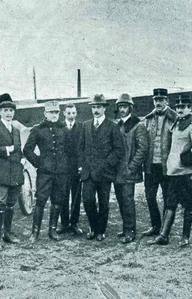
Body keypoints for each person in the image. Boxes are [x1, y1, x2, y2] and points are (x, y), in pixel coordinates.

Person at [78, 94, 124, 241]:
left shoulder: (113, 126)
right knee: (88, 201)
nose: (96, 110)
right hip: (88, 173)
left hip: (105, 173)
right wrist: (82, 165)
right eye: (93, 107)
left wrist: (107, 164)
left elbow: (118, 150)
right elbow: (80, 148)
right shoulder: (85, 125)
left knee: (104, 203)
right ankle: (93, 226)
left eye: (98, 107)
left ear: (104, 108)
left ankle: (101, 231)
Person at [149, 94, 192, 247]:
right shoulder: (176, 123)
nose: (180, 110)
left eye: (184, 107)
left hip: (185, 173)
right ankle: (164, 236)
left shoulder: (191, 124)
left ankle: (185, 237)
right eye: (178, 107)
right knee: (170, 203)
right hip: (172, 172)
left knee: (188, 205)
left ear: (190, 108)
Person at [23, 100, 69, 242]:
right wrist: (39, 163)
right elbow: (27, 150)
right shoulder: (38, 129)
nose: (54, 115)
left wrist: (65, 164)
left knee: (57, 200)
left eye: (56, 112)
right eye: (51, 112)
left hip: (61, 172)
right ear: (45, 113)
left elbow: (70, 150)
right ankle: (35, 232)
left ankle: (52, 230)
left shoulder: (64, 129)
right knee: (41, 201)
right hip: (44, 172)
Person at [0, 100, 24, 250]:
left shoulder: (16, 130)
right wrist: (7, 149)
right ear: (0, 112)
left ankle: (7, 233)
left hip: (15, 173)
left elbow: (19, 149)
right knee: (0, 204)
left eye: (11, 111)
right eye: (5, 110)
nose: (9, 113)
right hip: (1, 173)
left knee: (10, 205)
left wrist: (22, 159)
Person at [142, 88, 177, 237]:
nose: (158, 102)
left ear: (167, 101)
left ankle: (164, 229)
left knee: (167, 198)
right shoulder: (148, 119)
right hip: (150, 166)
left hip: (166, 166)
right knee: (150, 196)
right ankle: (155, 225)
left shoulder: (174, 118)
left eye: (161, 100)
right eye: (156, 100)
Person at [113, 94, 149, 244]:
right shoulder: (117, 125)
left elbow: (143, 149)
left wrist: (132, 167)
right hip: (116, 171)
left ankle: (131, 230)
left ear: (131, 108)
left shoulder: (138, 125)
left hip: (129, 171)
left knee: (128, 200)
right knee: (121, 200)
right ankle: (126, 226)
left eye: (125, 107)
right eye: (120, 107)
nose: (122, 110)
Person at [57, 103, 84, 235]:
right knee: (63, 195)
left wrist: (81, 165)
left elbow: (83, 148)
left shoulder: (81, 127)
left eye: (73, 113)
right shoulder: (60, 127)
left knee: (76, 196)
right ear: (64, 114)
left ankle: (74, 223)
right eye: (69, 113)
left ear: (76, 113)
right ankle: (64, 223)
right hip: (63, 167)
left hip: (76, 168)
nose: (71, 116)